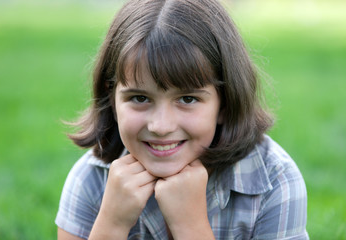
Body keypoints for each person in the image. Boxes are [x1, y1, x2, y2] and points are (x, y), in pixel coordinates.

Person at [55, 0, 309, 239]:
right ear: (112, 98)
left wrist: (190, 227)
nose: (161, 126)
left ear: (225, 102)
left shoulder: (273, 180)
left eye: (187, 99)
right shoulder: (91, 179)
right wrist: (112, 225)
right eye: (140, 98)